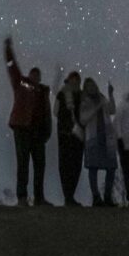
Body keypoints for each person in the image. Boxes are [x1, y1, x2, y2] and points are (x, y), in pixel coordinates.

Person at [4, 35, 52, 206]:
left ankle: (39, 198)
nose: (34, 77)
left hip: (39, 134)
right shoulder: (21, 84)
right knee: (23, 164)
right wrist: (8, 49)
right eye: (32, 74)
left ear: (39, 78)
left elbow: (47, 113)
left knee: (40, 166)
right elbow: (12, 67)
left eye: (37, 75)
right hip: (22, 129)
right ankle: (22, 198)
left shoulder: (44, 92)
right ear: (29, 75)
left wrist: (47, 133)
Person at [79, 77, 117, 206]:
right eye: (88, 86)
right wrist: (96, 108)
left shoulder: (102, 98)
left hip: (107, 137)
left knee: (111, 168)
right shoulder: (84, 101)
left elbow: (112, 110)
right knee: (93, 167)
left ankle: (107, 197)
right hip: (93, 137)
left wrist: (110, 94)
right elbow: (83, 119)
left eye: (93, 85)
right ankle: (96, 197)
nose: (92, 87)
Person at [55, 70, 84, 206]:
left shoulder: (82, 95)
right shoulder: (62, 94)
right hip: (66, 134)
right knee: (66, 165)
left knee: (75, 165)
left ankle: (70, 196)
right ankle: (68, 196)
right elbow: (56, 112)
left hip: (77, 135)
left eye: (76, 80)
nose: (74, 82)